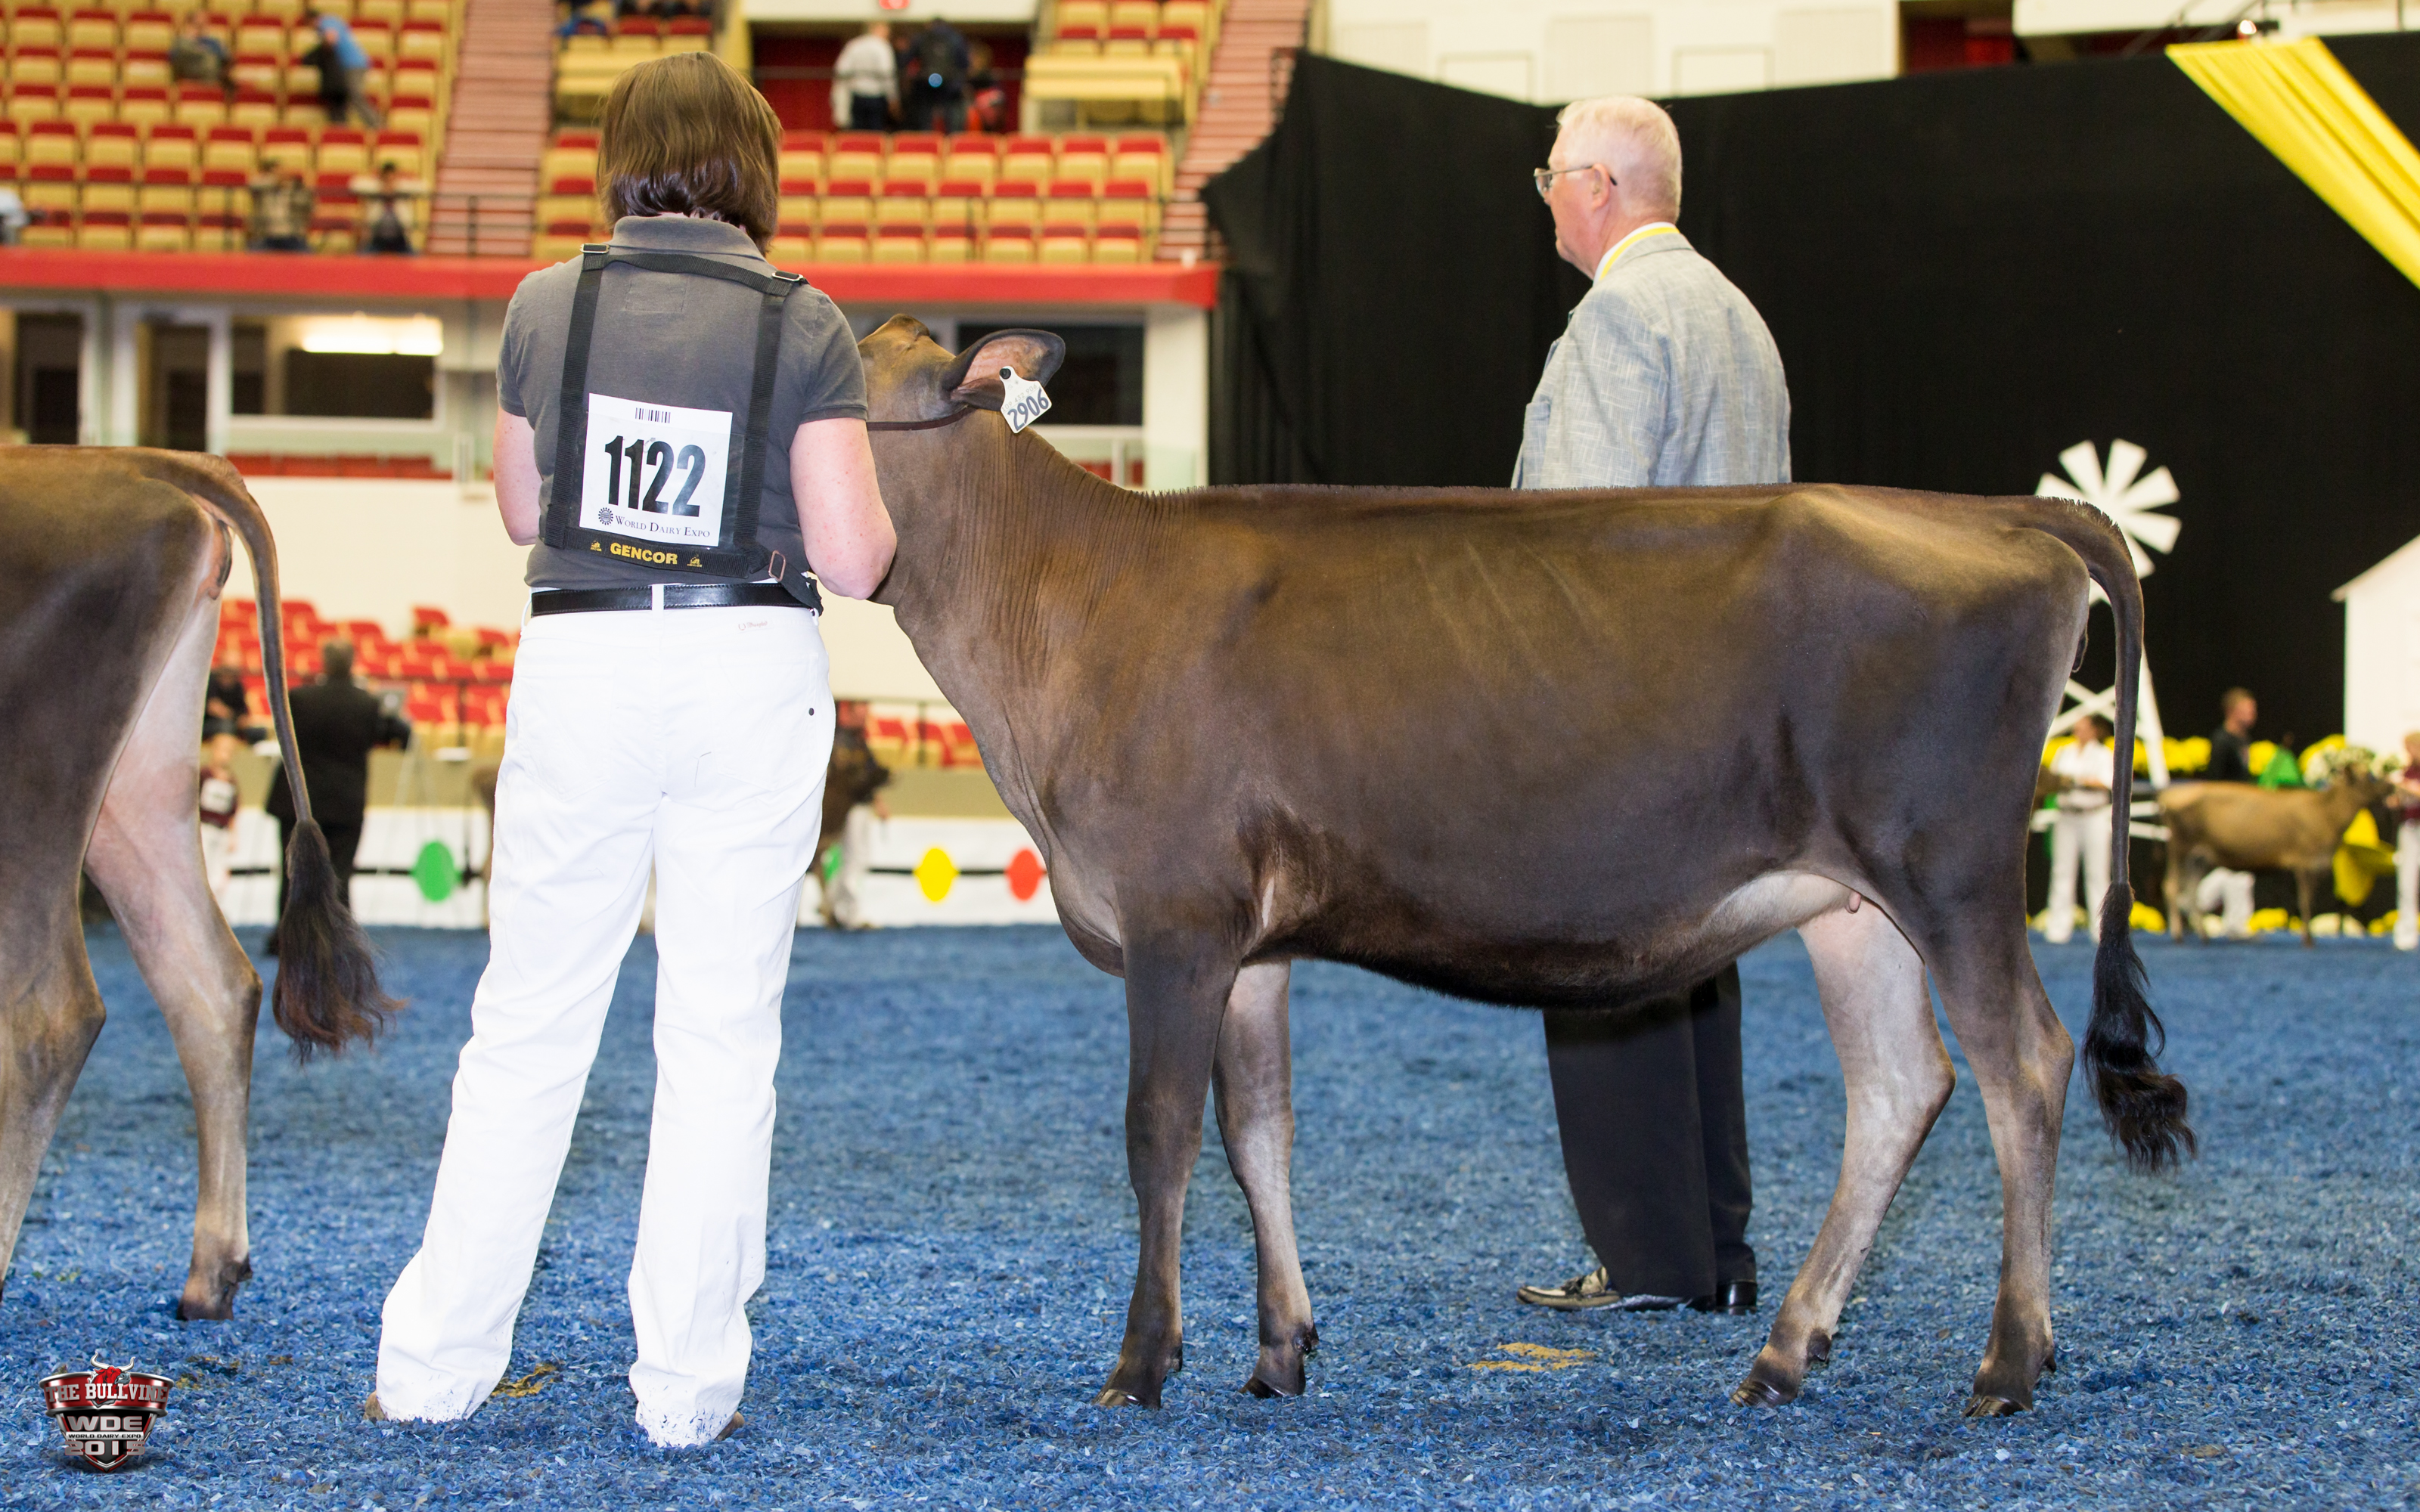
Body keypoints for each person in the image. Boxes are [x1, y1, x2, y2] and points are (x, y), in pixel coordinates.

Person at [368, 51, 895, 1449]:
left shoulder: (545, 303)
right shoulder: (808, 320)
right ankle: (685, 1392)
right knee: (719, 1037)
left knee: (528, 1022)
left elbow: (519, 509)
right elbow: (855, 558)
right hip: (745, 666)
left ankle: (431, 1370)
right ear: (752, 169)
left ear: (619, 163)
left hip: (584, 661)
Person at [1510, 95, 1786, 1315]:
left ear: (1598, 188)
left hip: (1621, 714)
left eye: (1551, 179)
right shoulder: (1738, 314)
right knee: (1697, 973)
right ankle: (1714, 1251)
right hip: (1727, 708)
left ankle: (1651, 1261)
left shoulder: (1619, 316)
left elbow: (1579, 542)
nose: (1547, 202)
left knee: (1600, 964)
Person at [263, 641, 412, 938]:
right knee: (340, 874)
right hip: (345, 802)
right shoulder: (367, 704)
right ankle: (337, 939)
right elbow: (395, 736)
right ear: (352, 663)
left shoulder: (300, 699)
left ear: (324, 662)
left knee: (293, 872)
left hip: (299, 799)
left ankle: (288, 938)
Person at [818, 700, 892, 928]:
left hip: (854, 807)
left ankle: (834, 904)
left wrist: (877, 802)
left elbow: (868, 776)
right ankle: (848, 911)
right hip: (847, 808)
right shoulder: (840, 741)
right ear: (846, 712)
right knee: (855, 858)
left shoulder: (858, 741)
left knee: (854, 858)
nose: (865, 713)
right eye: (860, 708)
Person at [2043, 714, 2116, 945]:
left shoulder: (2103, 754)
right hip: (2067, 815)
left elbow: (2107, 782)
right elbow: (2053, 781)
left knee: (2097, 873)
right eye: (2076, 728)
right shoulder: (2064, 752)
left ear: (2094, 731)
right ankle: (2058, 928)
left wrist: (2076, 780)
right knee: (2062, 871)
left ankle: (2100, 929)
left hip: (2094, 816)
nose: (2078, 732)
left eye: (2082, 728)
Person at [2195, 686, 2259, 937]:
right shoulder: (2221, 741)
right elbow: (2214, 782)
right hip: (2227, 813)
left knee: (2239, 866)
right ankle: (2228, 918)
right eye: (2247, 710)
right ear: (2232, 711)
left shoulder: (2243, 740)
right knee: (2238, 865)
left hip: (2241, 812)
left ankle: (2203, 904)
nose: (2253, 714)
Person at [307, 8, 382, 128]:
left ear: (312, 20)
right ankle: (343, 128)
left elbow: (331, 39)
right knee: (347, 97)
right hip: (349, 65)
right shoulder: (333, 21)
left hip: (352, 64)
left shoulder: (326, 22)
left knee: (355, 95)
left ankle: (376, 125)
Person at [902, 17, 969, 133]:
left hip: (925, 82)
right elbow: (965, 63)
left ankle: (926, 140)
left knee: (925, 119)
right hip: (950, 84)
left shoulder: (921, 38)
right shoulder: (955, 38)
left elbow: (907, 59)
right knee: (952, 121)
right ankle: (953, 141)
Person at [831, 20, 896, 131]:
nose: (888, 34)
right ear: (876, 28)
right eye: (886, 30)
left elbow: (842, 69)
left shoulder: (854, 44)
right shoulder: (883, 46)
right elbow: (887, 74)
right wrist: (892, 97)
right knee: (875, 130)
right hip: (876, 95)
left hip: (857, 93)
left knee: (858, 130)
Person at [2394, 730, 2420, 953]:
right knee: (2407, 882)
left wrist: (2409, 789)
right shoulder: (2407, 771)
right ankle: (2406, 933)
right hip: (2410, 828)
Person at [358, 162, 418, 254]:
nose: (389, 181)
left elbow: (423, 187)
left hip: (400, 240)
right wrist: (380, 188)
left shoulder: (402, 190)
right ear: (382, 177)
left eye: (392, 178)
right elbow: (356, 185)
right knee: (363, 256)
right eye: (387, 178)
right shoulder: (375, 190)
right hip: (377, 239)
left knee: (415, 257)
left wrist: (396, 188)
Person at [249, 166, 315, 251]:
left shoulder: (295, 190)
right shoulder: (263, 192)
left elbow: (308, 205)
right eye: (276, 174)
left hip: (292, 237)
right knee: (253, 254)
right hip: (267, 237)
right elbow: (252, 185)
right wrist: (274, 181)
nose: (280, 177)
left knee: (308, 256)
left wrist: (296, 189)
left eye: (283, 174)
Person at [169, 14, 230, 95]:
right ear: (188, 25)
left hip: (212, 77)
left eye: (203, 25)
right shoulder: (181, 42)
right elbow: (174, 59)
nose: (200, 28)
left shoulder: (213, 42)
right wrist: (191, 40)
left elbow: (225, 58)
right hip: (190, 74)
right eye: (197, 25)